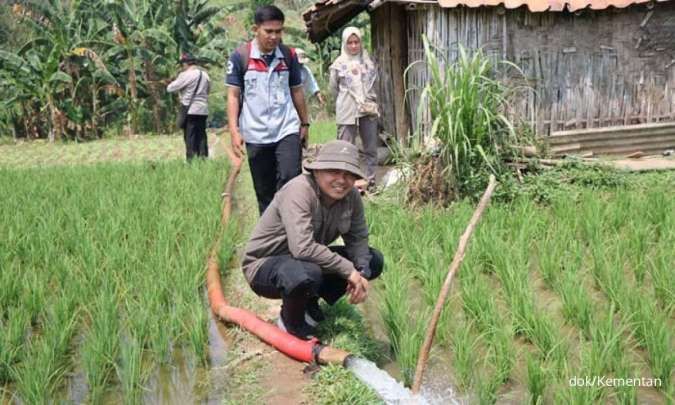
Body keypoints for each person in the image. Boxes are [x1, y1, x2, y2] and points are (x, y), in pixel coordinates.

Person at [241, 140, 384, 339]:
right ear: (317, 171)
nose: (342, 180)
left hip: (303, 261)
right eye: (333, 171)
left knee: (373, 259)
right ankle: (291, 323)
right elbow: (302, 248)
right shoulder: (299, 190)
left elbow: (358, 238)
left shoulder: (352, 197)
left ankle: (308, 302)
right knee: (306, 273)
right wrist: (348, 270)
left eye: (349, 174)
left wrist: (361, 273)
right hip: (265, 265)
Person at [226, 5, 310, 215]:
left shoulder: (288, 56)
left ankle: (291, 229)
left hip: (286, 128)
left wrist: (305, 123)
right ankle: (271, 236)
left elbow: (297, 90)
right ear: (256, 29)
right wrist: (234, 131)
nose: (274, 37)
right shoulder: (240, 57)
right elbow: (233, 96)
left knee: (291, 179)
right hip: (256, 133)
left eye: (278, 31)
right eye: (269, 31)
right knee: (264, 191)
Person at [329, 27, 379, 191]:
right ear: (344, 44)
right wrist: (347, 100)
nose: (353, 46)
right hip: (347, 109)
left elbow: (374, 84)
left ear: (360, 43)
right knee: (345, 147)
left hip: (368, 108)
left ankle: (370, 182)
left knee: (370, 147)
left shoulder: (368, 63)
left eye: (356, 42)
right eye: (349, 42)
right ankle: (346, 184)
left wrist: (367, 99)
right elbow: (333, 88)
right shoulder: (339, 64)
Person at [167, 52, 211, 160]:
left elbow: (171, 88)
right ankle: (203, 158)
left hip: (190, 110)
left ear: (185, 64)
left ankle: (191, 160)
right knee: (201, 136)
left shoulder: (186, 75)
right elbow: (208, 90)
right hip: (203, 109)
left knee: (190, 136)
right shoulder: (205, 75)